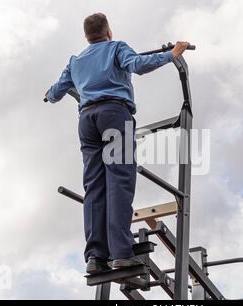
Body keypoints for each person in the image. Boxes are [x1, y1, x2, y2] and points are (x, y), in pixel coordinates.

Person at [45, 12, 190, 274]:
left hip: (87, 121)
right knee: (119, 182)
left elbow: (56, 91)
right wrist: (172, 55)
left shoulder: (75, 62)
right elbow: (138, 65)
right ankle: (121, 253)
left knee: (94, 186)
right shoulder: (116, 48)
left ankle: (95, 256)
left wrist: (49, 95)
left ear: (87, 36)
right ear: (108, 31)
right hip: (114, 114)